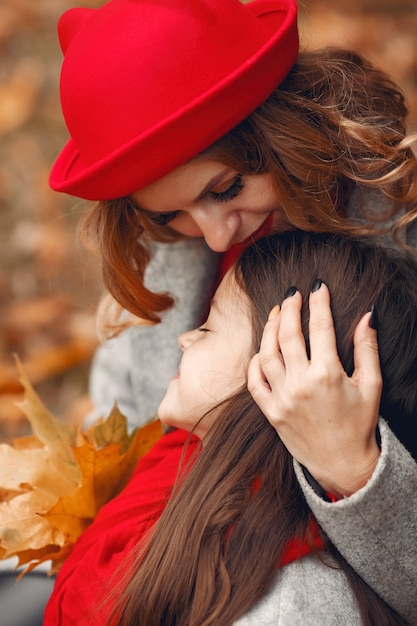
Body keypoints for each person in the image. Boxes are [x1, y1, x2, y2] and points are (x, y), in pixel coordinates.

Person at [48, 0, 417, 427]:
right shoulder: (167, 252)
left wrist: (355, 474)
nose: (216, 238)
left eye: (226, 189)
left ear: (290, 135)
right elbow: (121, 413)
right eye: (168, 216)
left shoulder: (402, 231)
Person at [43, 230, 417, 625]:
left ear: (287, 374)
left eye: (208, 328)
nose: (185, 338)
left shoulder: (285, 609)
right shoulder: (189, 477)